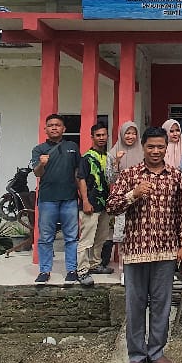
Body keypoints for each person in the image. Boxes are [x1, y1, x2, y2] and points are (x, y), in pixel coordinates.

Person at [107, 126, 182, 363]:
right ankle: (136, 356)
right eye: (151, 146)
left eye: (160, 147)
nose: (156, 151)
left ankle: (156, 352)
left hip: (166, 252)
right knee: (135, 306)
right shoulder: (129, 174)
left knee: (161, 305)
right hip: (136, 252)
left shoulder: (176, 177)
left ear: (167, 148)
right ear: (143, 147)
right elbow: (111, 206)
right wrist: (133, 194)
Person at [30, 114, 91, 285]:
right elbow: (37, 173)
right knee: (45, 237)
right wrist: (41, 163)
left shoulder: (72, 147)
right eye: (50, 125)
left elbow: (78, 174)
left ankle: (71, 270)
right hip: (47, 199)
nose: (54, 127)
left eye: (57, 125)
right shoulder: (39, 149)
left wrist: (84, 198)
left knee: (71, 237)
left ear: (64, 129)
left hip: (69, 199)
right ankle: (44, 271)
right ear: (45, 129)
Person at [76, 123, 114, 275]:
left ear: (107, 136)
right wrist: (85, 201)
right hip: (90, 204)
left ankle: (95, 264)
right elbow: (81, 179)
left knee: (101, 237)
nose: (101, 138)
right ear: (92, 137)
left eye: (104, 135)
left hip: (104, 204)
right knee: (87, 238)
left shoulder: (107, 157)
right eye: (98, 135)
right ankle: (82, 270)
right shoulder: (87, 157)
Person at [107, 121, 144, 279]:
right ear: (122, 134)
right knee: (123, 235)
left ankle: (140, 268)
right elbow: (110, 179)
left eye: (133, 133)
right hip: (123, 199)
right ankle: (124, 270)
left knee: (141, 232)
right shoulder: (113, 153)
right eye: (127, 133)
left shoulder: (143, 151)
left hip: (141, 199)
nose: (130, 136)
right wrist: (116, 162)